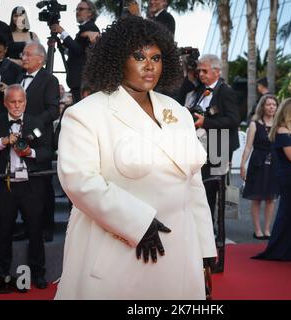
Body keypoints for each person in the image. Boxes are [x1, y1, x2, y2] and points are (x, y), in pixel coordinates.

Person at [55, 16, 216, 300]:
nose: (149, 65)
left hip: (180, 252)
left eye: (156, 57)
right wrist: (138, 223)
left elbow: (193, 184)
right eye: (139, 56)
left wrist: (203, 251)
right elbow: (80, 182)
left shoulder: (177, 112)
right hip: (120, 250)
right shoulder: (85, 113)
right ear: (118, 59)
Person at [0, 84, 51, 291]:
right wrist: (2, 141)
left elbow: (49, 150)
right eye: (12, 101)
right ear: (5, 103)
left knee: (35, 231)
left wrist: (30, 152)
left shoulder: (36, 122)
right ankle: (0, 275)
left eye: (20, 101)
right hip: (5, 187)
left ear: (26, 102)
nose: (16, 105)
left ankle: (39, 274)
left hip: (31, 186)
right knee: (4, 233)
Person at [253, 98, 291, 261]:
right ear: (290, 113)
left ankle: (290, 248)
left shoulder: (290, 130)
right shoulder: (282, 132)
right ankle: (280, 249)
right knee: (288, 213)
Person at [15, 42, 59, 242]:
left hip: (39, 140)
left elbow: (53, 110)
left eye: (27, 54)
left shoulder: (49, 80)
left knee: (42, 187)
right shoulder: (18, 78)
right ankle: (28, 226)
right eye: (23, 54)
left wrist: (30, 126)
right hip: (18, 139)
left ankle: (46, 227)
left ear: (40, 59)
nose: (23, 57)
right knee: (23, 186)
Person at [192, 54, 240, 231]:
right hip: (205, 146)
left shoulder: (225, 91)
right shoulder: (201, 90)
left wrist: (206, 123)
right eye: (199, 71)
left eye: (205, 71)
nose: (201, 74)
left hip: (220, 147)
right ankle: (206, 228)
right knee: (205, 188)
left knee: (215, 188)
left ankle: (214, 232)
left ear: (217, 71)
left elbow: (234, 120)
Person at [240, 94, 279, 240]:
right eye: (268, 104)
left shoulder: (279, 124)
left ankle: (268, 229)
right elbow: (248, 147)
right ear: (262, 106)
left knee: (271, 198)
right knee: (256, 198)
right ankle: (257, 229)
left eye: (274, 105)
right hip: (258, 163)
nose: (271, 107)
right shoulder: (254, 124)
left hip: (274, 163)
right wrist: (243, 164)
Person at [50, 0, 100, 103]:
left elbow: (77, 50)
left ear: (90, 12)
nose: (78, 12)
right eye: (76, 9)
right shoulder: (85, 29)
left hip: (81, 81)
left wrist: (61, 31)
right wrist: (64, 48)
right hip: (78, 81)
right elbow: (79, 52)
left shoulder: (90, 27)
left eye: (81, 9)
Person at [0, 33, 23, 114]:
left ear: (6, 49)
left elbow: (22, 93)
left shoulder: (16, 69)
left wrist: (9, 90)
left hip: (3, 114)